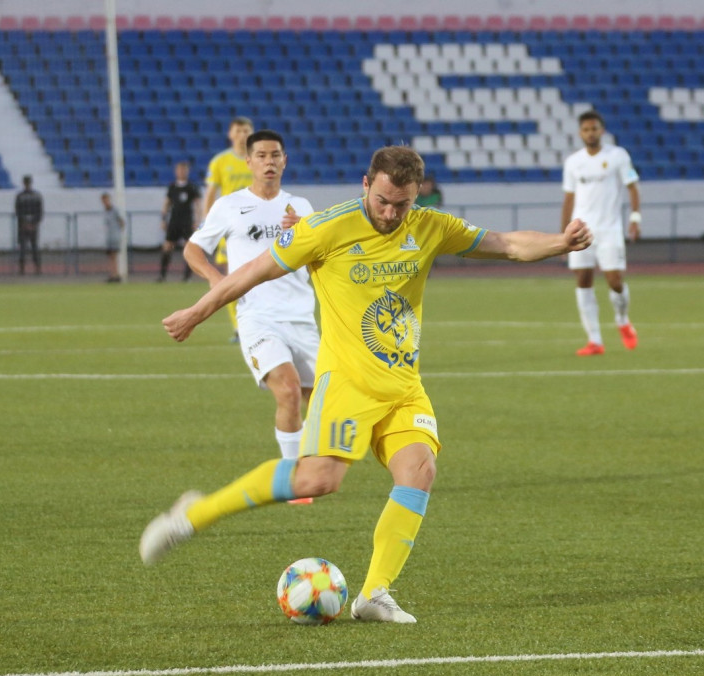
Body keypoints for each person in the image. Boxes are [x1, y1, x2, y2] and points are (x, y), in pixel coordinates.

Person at [140, 146, 593, 623]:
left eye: (403, 204)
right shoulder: (326, 228)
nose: (391, 213)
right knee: (318, 480)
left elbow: (507, 244)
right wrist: (197, 312)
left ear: (417, 195)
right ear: (365, 184)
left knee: (419, 470)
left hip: (403, 386)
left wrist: (561, 242)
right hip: (348, 383)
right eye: (383, 201)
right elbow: (251, 273)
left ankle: (374, 593)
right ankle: (194, 515)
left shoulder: (430, 226)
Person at [184, 129, 317, 502]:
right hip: (257, 317)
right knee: (288, 390)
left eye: (275, 155)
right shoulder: (229, 206)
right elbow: (193, 250)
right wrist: (217, 280)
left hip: (302, 318)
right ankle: (293, 480)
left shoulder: (301, 208)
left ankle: (312, 464)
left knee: (321, 400)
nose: (269, 162)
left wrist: (304, 234)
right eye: (261, 155)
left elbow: (322, 256)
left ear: (285, 161)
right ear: (248, 162)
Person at [561, 110, 641, 356]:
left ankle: (622, 319)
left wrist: (635, 217)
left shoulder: (617, 155)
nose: (590, 133)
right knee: (583, 280)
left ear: (601, 130)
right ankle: (594, 340)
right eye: (586, 129)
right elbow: (569, 199)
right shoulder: (573, 162)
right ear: (580, 133)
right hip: (581, 230)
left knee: (615, 281)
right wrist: (563, 236)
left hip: (610, 229)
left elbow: (632, 187)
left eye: (594, 129)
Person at [203, 116, 255, 341]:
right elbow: (210, 193)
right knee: (230, 279)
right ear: (230, 134)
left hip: (257, 227)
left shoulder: (258, 159)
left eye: (246, 130)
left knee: (260, 278)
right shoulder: (220, 161)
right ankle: (238, 327)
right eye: (238, 131)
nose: (242, 135)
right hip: (231, 228)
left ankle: (257, 322)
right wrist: (209, 225)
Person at [158, 162, 201, 282]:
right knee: (167, 246)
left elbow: (198, 204)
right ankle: (162, 275)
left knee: (188, 248)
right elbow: (166, 204)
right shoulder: (172, 187)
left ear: (187, 172)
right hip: (174, 221)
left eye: (184, 170)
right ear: (176, 172)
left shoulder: (192, 187)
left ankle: (187, 277)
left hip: (187, 221)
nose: (181, 172)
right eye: (179, 170)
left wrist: (197, 221)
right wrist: (163, 219)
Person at [15, 175, 43, 275]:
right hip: (23, 226)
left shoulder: (35, 196)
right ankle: (22, 268)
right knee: (23, 248)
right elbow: (18, 211)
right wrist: (24, 222)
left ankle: (37, 268)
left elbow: (39, 211)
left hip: (32, 225)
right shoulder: (21, 196)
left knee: (34, 247)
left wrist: (34, 223)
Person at [101, 192, 125, 283]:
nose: (105, 202)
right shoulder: (105, 211)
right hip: (109, 236)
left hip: (114, 236)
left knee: (114, 256)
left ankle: (116, 275)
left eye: (106, 200)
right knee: (110, 256)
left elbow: (121, 222)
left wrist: (118, 232)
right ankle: (112, 274)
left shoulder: (115, 210)